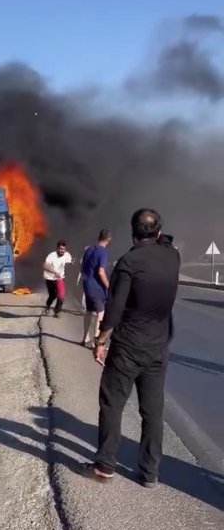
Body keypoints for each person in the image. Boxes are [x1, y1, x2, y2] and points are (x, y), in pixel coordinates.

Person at [86, 208, 180, 487]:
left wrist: (100, 341)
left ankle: (105, 465)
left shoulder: (129, 262)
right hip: (158, 348)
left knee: (112, 403)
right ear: (159, 231)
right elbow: (166, 243)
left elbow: (114, 310)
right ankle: (150, 473)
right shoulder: (173, 256)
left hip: (127, 347)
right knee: (152, 412)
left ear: (132, 232)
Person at [81, 229, 112, 346]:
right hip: (97, 287)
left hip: (87, 284)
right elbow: (101, 272)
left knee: (89, 312)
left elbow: (82, 267)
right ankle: (96, 343)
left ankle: (84, 339)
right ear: (109, 239)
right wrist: (108, 286)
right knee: (100, 313)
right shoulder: (103, 252)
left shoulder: (89, 249)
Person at [43, 240, 73, 317]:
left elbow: (69, 261)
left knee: (61, 295)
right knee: (53, 295)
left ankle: (57, 311)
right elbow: (45, 265)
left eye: (63, 249)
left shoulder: (67, 255)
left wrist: (71, 262)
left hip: (60, 278)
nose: (62, 251)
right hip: (50, 278)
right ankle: (48, 306)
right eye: (60, 249)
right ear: (57, 248)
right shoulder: (51, 255)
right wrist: (54, 272)